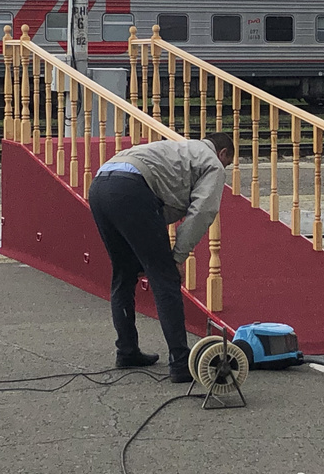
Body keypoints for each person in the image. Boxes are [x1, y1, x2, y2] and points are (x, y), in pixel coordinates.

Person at [88, 133, 234, 381]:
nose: (225, 169)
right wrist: (177, 257)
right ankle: (180, 362)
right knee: (164, 277)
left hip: (100, 185)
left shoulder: (179, 149)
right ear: (223, 153)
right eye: (228, 163)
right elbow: (203, 212)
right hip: (131, 187)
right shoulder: (212, 163)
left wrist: (147, 246)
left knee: (124, 274)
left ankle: (127, 351)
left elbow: (159, 207)